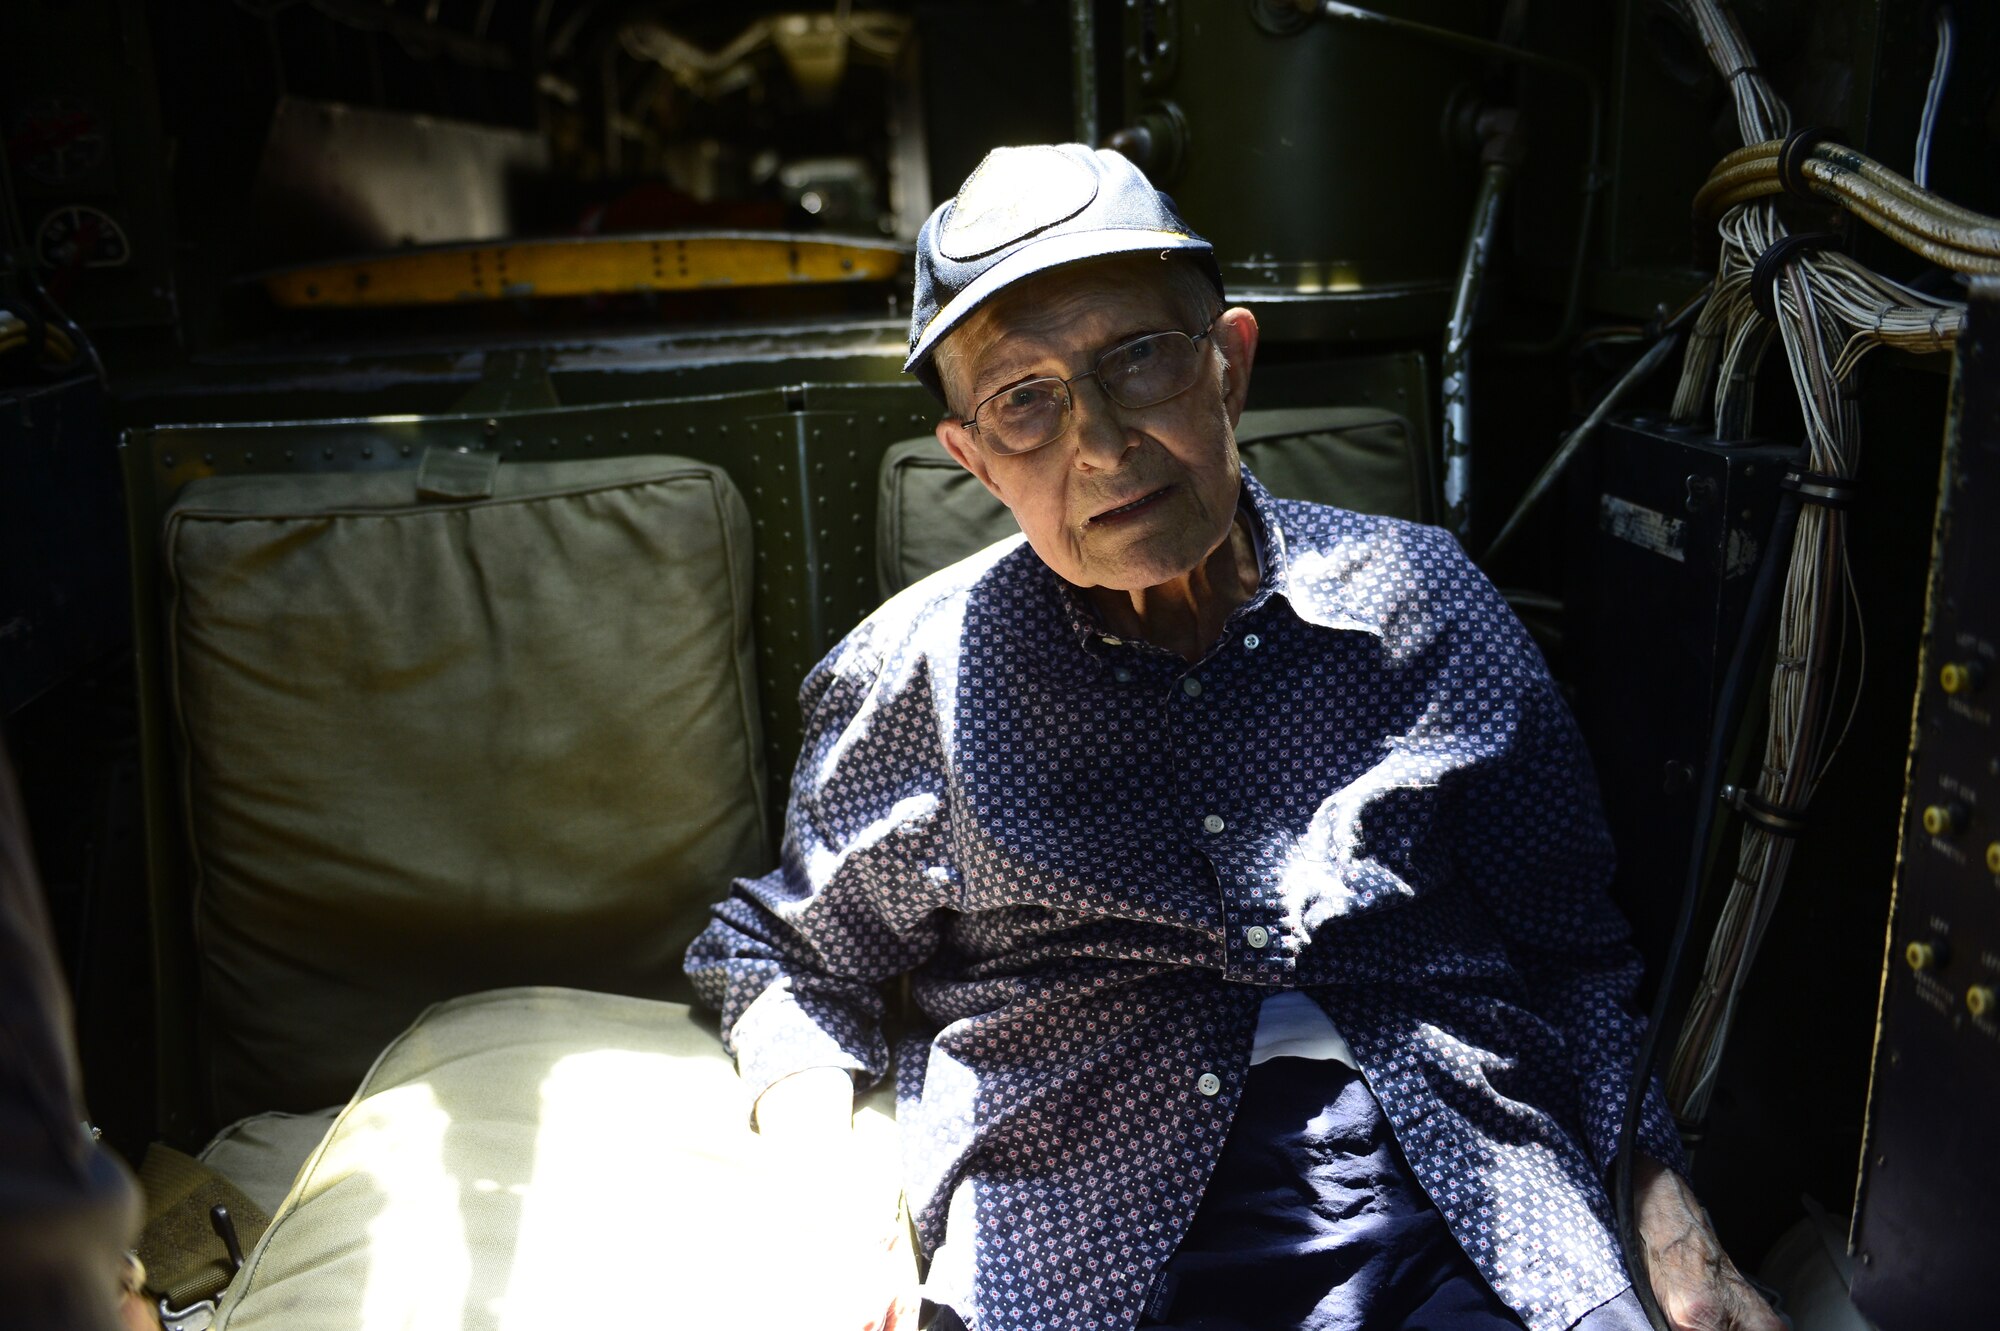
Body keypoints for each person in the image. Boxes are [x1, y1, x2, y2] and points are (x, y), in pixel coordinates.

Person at [686, 144, 1780, 1331]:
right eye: (1024, 402)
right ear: (974, 459)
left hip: (1451, 1185)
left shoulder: (1423, 599)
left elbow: (1569, 946)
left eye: (1137, 359)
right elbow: (786, 959)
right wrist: (832, 1208)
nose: (1099, 443)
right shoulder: (917, 673)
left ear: (1229, 366)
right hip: (1077, 1230)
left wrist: (1665, 1204)